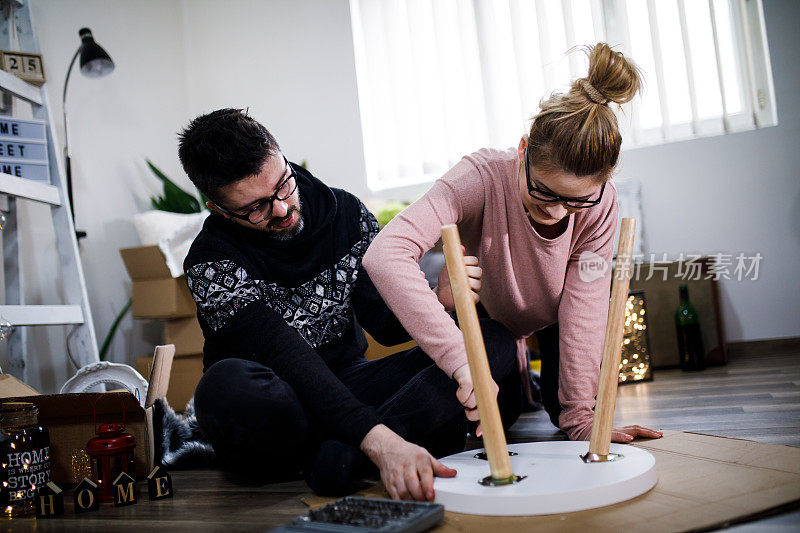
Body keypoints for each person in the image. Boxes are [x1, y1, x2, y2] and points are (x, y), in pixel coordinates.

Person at [177, 109, 522, 501]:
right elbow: (288, 357)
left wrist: (438, 299)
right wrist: (380, 440)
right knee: (225, 389)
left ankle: (344, 456)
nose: (282, 209)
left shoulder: (345, 213)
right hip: (277, 406)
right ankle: (385, 439)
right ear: (219, 209)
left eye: (283, 185)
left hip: (350, 383)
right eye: (255, 208)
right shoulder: (210, 262)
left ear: (282, 157)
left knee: (490, 340)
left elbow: (387, 324)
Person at [363, 43, 663, 443]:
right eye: (544, 192)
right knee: (492, 421)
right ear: (523, 151)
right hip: (492, 319)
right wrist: (459, 361)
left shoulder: (601, 205)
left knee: (565, 416)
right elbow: (386, 254)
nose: (557, 211)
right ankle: (522, 381)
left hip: (558, 318)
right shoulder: (480, 176)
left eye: (576, 200)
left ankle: (540, 388)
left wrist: (581, 416)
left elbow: (586, 306)